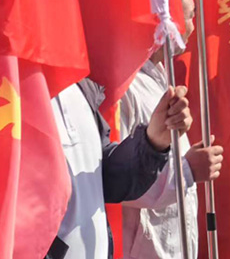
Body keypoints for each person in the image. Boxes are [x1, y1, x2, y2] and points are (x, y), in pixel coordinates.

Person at [119, 0, 224, 259]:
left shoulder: (158, 75)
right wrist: (188, 169)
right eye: (189, 16)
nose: (192, 26)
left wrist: (188, 159)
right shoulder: (126, 87)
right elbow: (120, 182)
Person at [49, 76, 193, 258]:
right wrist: (188, 171)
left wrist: (153, 142)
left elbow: (106, 175)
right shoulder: (18, 86)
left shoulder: (81, 86)